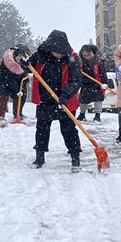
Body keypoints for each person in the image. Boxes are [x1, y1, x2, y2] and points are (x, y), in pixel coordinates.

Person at [26, 30, 82, 170]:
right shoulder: (40, 55)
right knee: (42, 129)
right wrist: (24, 64)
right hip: (45, 100)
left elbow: (76, 81)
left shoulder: (73, 59)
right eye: (56, 51)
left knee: (69, 130)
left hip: (64, 100)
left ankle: (75, 157)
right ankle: (39, 158)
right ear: (50, 47)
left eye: (62, 52)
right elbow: (27, 67)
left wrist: (65, 94)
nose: (59, 54)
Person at [0, 44, 30, 126]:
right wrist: (17, 90)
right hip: (2, 79)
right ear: (16, 55)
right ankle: (1, 116)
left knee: (20, 97)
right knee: (4, 96)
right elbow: (9, 79)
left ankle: (17, 114)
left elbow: (25, 74)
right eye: (20, 56)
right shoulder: (8, 62)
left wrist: (24, 82)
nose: (21, 58)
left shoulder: (25, 60)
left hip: (16, 79)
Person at [78, 44, 108, 122]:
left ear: (91, 52)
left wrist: (104, 83)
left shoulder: (99, 60)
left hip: (97, 82)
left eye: (88, 55)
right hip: (85, 83)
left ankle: (97, 116)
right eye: (84, 56)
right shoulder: (80, 61)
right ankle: (82, 115)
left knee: (98, 99)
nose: (86, 57)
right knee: (83, 99)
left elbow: (103, 73)